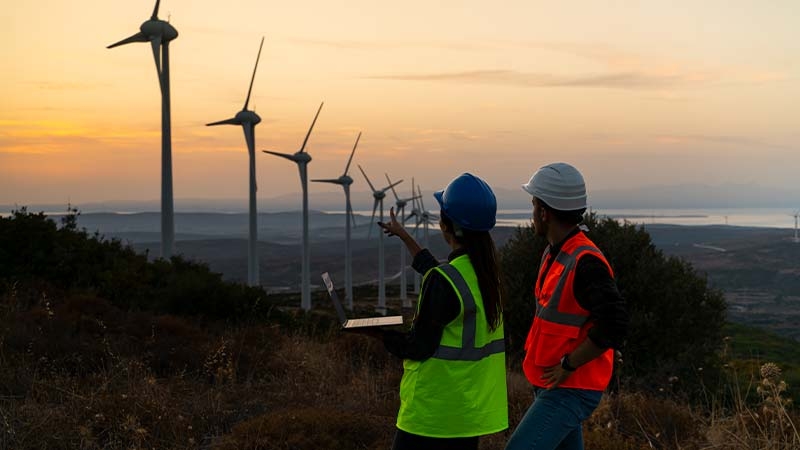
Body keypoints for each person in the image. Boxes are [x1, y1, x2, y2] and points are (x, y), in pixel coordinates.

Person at [374, 172, 508, 450]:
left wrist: (379, 334)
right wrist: (405, 236)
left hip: (432, 413)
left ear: (447, 226)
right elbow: (437, 274)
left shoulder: (446, 281)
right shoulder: (485, 276)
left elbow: (418, 346)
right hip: (468, 413)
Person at [505, 162, 629, 450]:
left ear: (544, 212)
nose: (532, 213)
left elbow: (615, 324)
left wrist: (568, 365)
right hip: (557, 385)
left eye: (533, 204)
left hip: (572, 388)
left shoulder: (585, 262)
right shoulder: (557, 252)